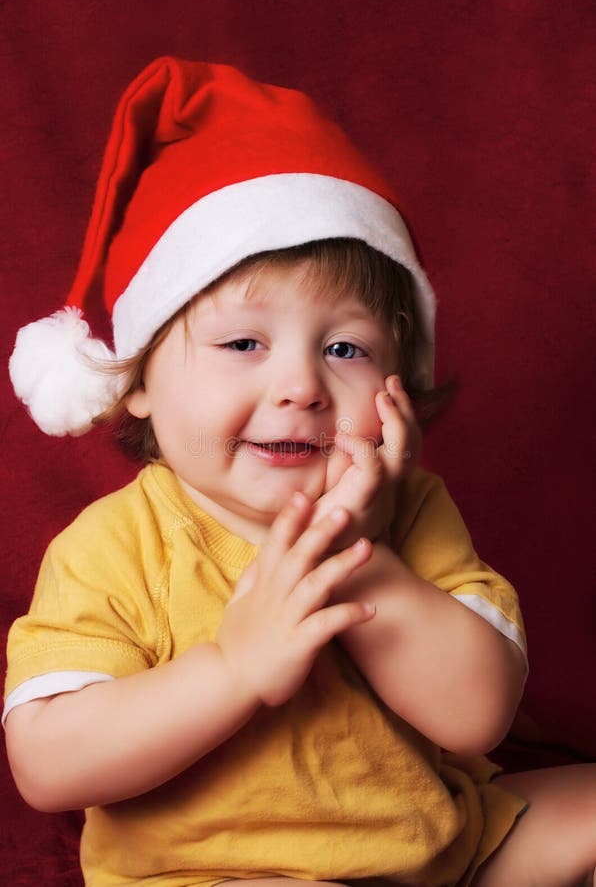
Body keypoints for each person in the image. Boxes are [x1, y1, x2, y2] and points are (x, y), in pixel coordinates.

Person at [3, 57, 595, 887]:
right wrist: (234, 670)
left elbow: (476, 718)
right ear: (136, 381)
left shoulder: (411, 509)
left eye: (345, 349)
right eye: (244, 343)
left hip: (432, 849)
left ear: (399, 382)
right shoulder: (114, 544)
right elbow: (48, 763)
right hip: (213, 873)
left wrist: (360, 556)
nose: (301, 387)